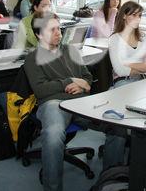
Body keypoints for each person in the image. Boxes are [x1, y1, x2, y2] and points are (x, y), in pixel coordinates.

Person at [24, 11, 92, 191]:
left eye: (59, 28)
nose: (58, 33)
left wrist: (82, 85)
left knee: (117, 123)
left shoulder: (71, 50)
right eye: (52, 29)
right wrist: (70, 81)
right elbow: (40, 89)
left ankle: (113, 177)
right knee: (53, 136)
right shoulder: (32, 58)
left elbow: (87, 78)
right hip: (53, 104)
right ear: (39, 34)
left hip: (80, 100)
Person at [103, 1, 146, 167]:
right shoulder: (115, 39)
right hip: (122, 85)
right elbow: (119, 70)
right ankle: (111, 172)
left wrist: (129, 65)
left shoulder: (145, 38)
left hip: (142, 84)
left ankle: (136, 169)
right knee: (118, 129)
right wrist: (141, 67)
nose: (137, 18)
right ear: (124, 16)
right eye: (133, 14)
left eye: (139, 15)